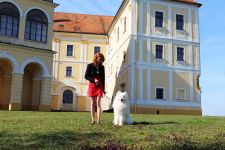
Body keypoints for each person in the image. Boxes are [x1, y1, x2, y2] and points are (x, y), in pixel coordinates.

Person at [85, 53, 105, 124]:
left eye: (102, 60)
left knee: (98, 102)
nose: (100, 61)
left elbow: (103, 79)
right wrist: (94, 80)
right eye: (99, 59)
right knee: (93, 103)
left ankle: (98, 120)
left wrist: (103, 89)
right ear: (96, 58)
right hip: (92, 85)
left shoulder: (102, 67)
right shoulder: (90, 66)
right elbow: (86, 76)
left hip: (99, 85)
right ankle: (93, 120)